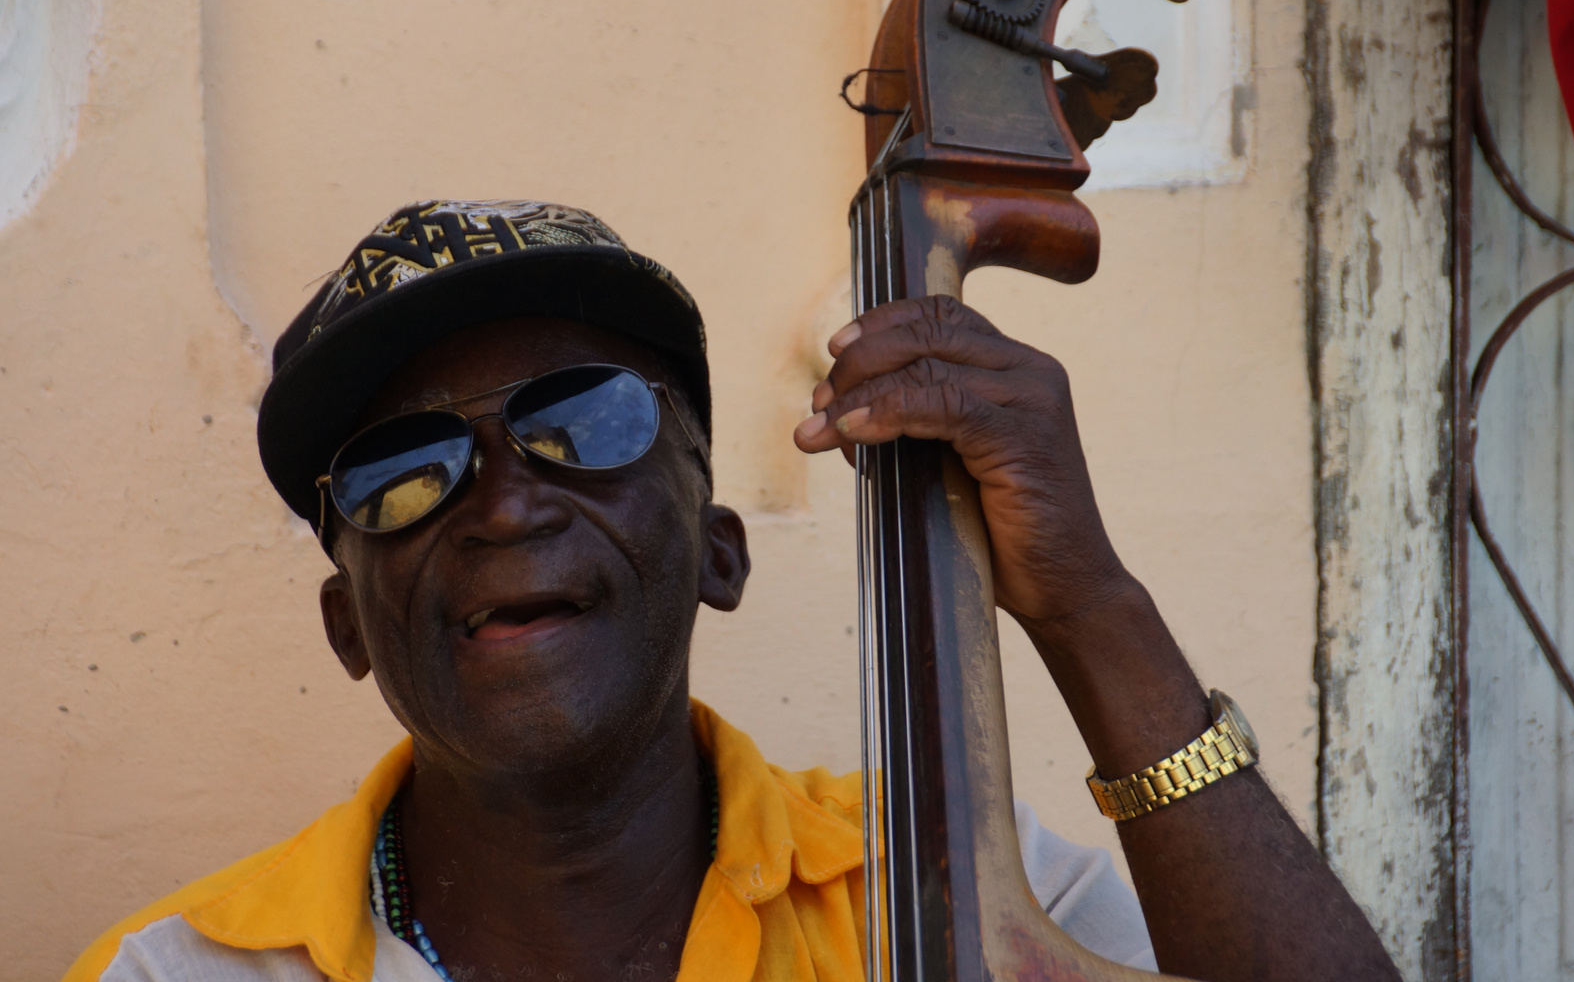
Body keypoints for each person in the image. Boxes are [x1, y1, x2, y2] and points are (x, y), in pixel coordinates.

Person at [63, 201, 1399, 982]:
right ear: (349, 625)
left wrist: (1089, 605)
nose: (506, 498)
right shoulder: (187, 973)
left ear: (717, 552)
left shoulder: (946, 888)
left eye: (581, 420)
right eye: (402, 470)